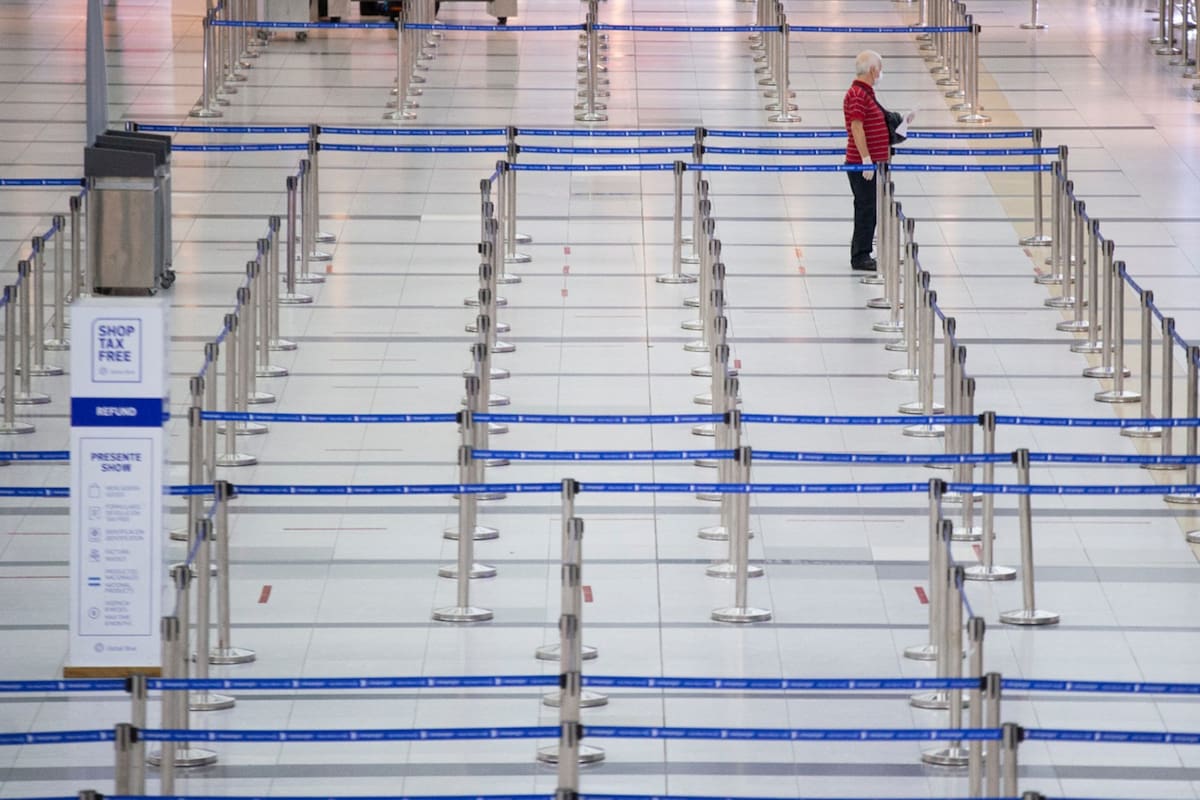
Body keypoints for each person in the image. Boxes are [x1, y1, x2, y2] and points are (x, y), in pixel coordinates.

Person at [842, 50, 890, 272]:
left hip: (873, 163)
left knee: (870, 208)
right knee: (865, 208)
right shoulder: (857, 94)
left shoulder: (865, 93)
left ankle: (865, 251)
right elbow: (856, 126)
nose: (880, 73)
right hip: (864, 166)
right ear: (872, 70)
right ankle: (861, 255)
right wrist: (866, 159)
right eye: (879, 69)